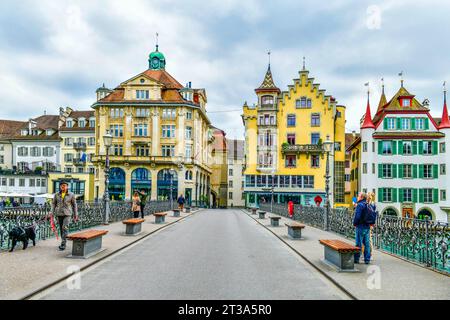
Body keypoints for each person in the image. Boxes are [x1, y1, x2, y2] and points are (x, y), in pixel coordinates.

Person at [51, 181, 78, 251]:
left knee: (64, 227)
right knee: (61, 229)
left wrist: (76, 214)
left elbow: (74, 205)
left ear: (67, 186)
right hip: (59, 213)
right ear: (60, 187)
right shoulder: (56, 194)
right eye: (62, 186)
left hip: (67, 214)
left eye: (64, 185)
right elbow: (53, 204)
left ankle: (63, 244)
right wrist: (52, 213)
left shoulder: (71, 194)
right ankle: (63, 240)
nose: (63, 187)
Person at [353, 192, 371, 264]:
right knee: (366, 244)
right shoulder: (367, 204)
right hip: (367, 226)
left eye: (358, 196)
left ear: (361, 197)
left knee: (358, 243)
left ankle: (356, 259)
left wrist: (354, 223)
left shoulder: (360, 205)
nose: (357, 197)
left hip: (360, 226)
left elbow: (357, 216)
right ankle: (367, 259)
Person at [366, 192, 377, 259]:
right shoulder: (373, 204)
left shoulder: (370, 205)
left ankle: (370, 254)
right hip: (370, 224)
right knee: (369, 239)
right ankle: (369, 254)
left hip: (368, 224)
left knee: (368, 239)